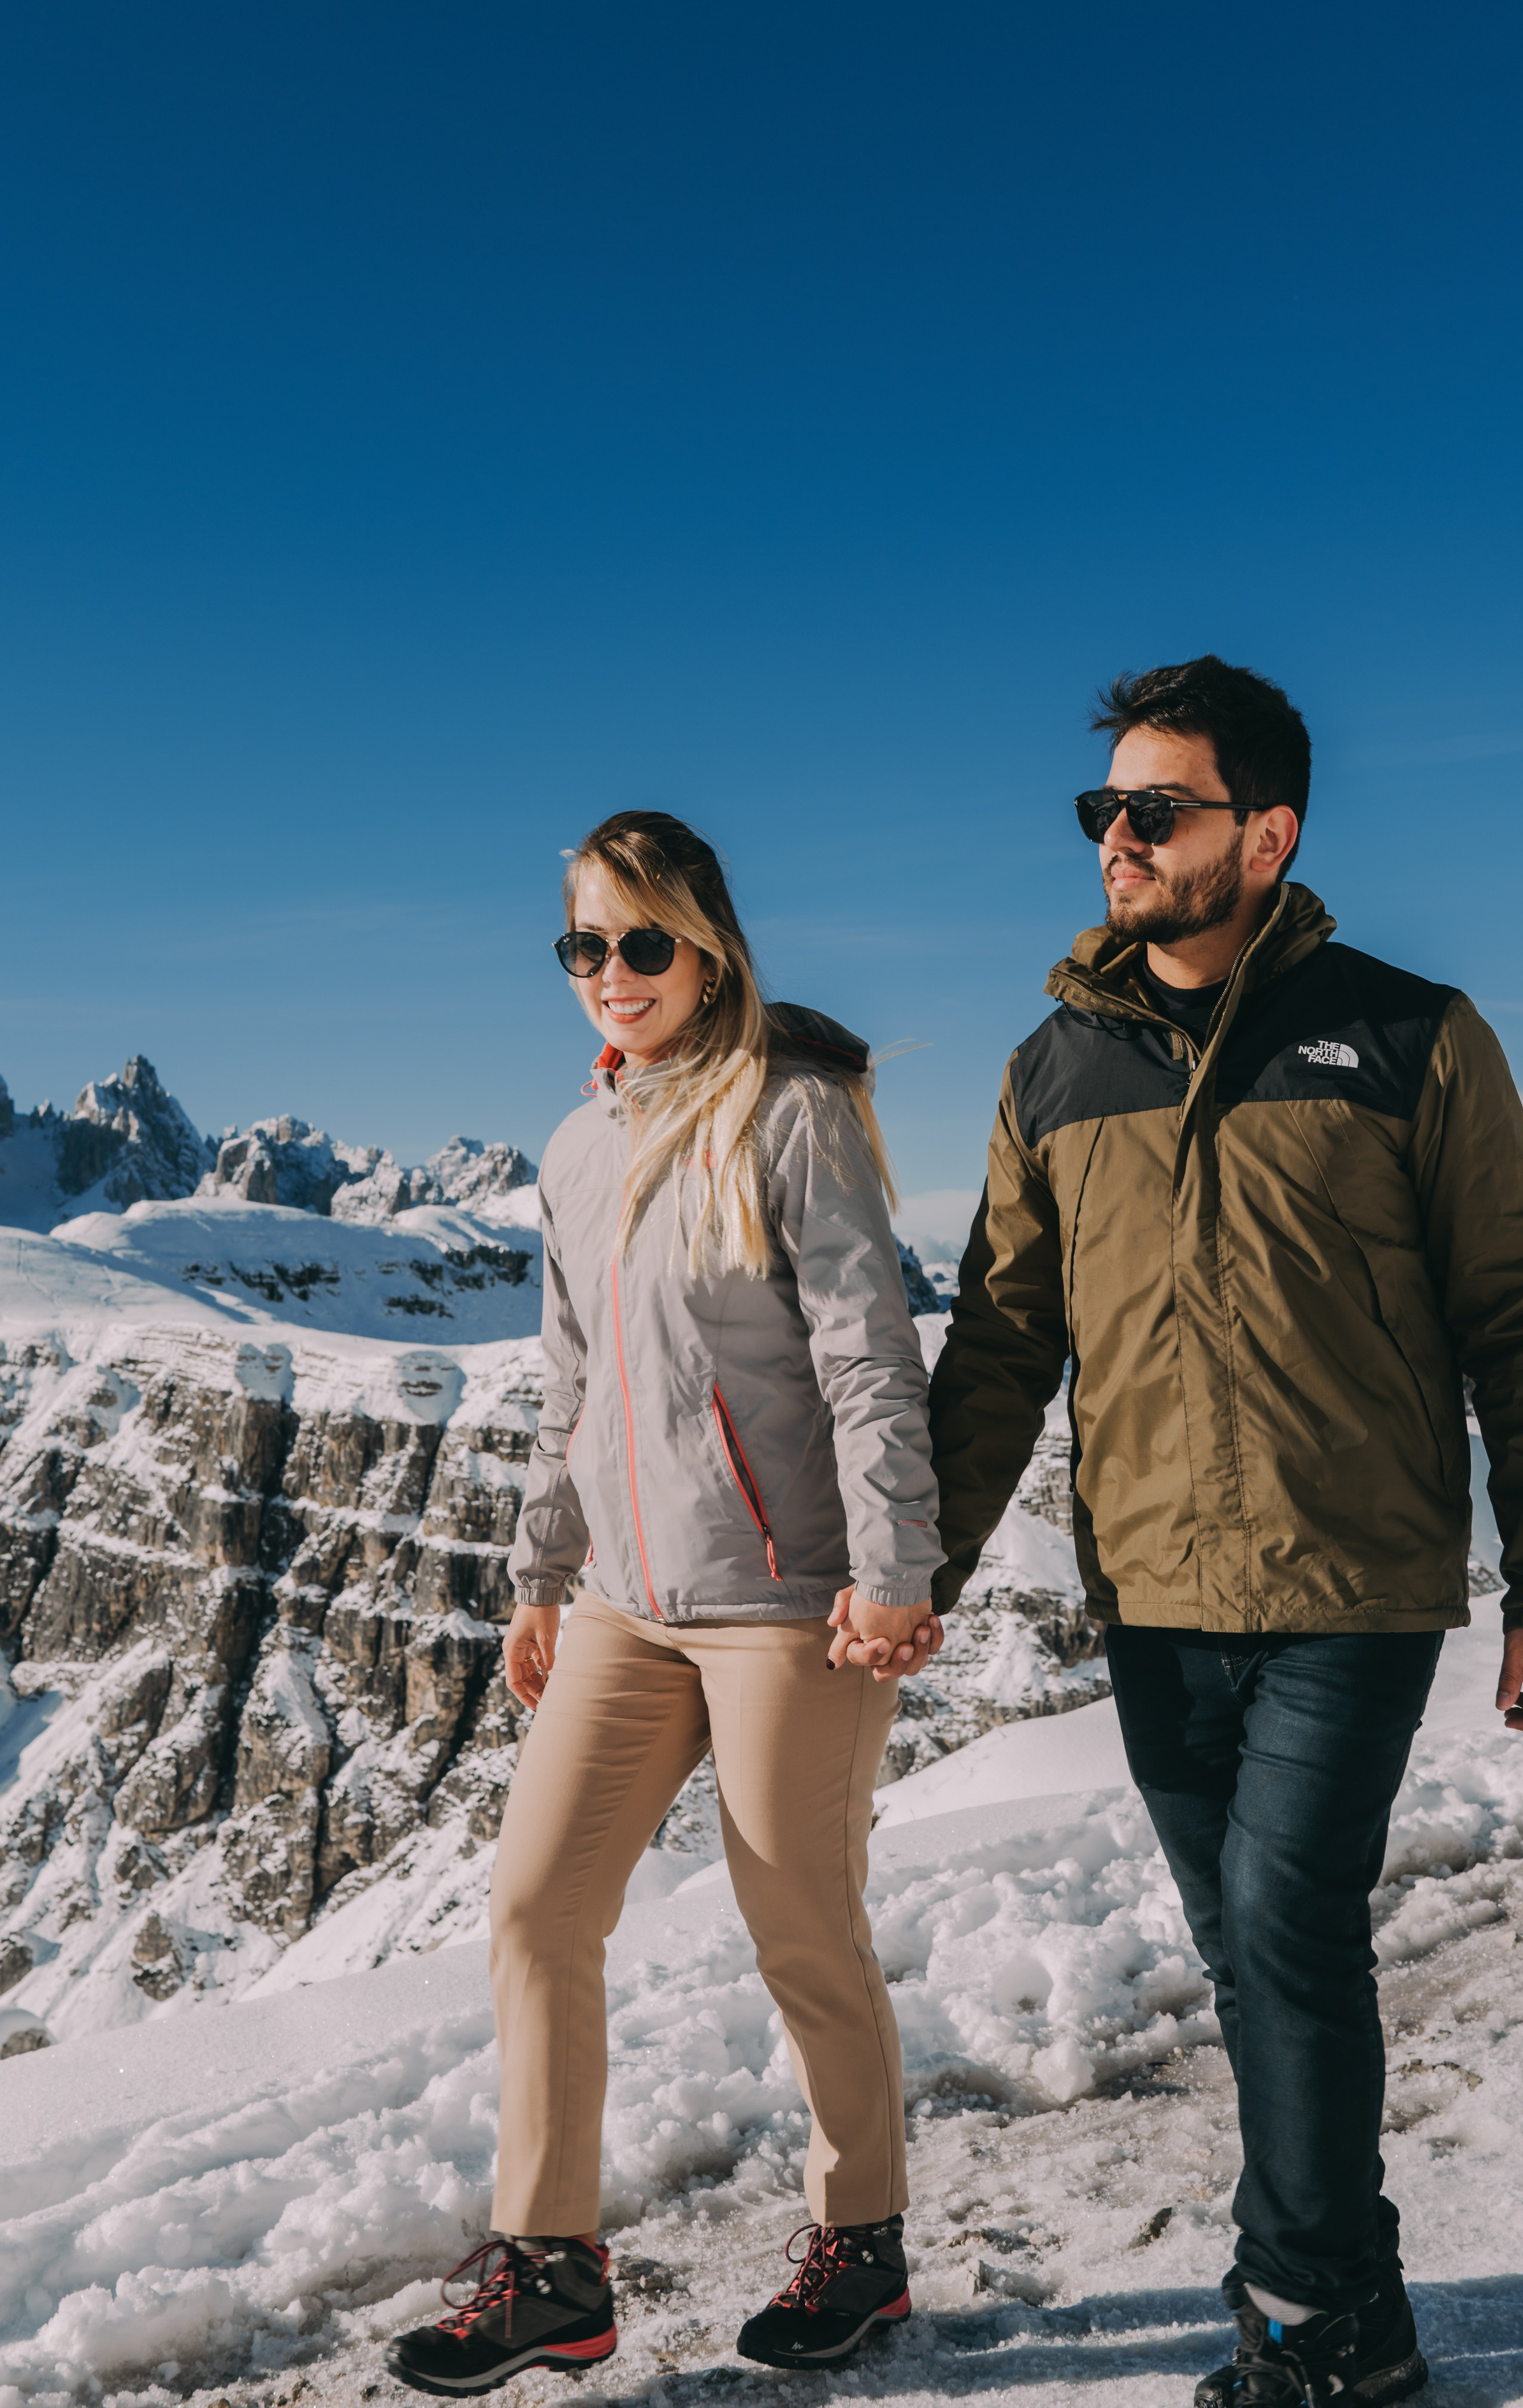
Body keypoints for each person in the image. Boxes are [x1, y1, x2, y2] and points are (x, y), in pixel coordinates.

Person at [926, 657, 1523, 2407]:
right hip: (1154, 1591)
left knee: (1286, 1924)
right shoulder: (1053, 1070)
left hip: (1350, 1582)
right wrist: (914, 1570)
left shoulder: (1408, 1035)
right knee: (1249, 1950)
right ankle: (1348, 2295)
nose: (1116, 838)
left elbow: (1519, 1315)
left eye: (1154, 810)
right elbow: (1000, 1345)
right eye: (1103, 809)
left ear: (1266, 836)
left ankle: (1309, 2318)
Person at [387, 810, 943, 2398]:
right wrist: (544, 1576)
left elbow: (864, 1353)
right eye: (584, 944)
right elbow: (570, 1383)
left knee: (800, 1924)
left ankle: (861, 2245)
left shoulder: (789, 1113)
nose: (610, 973)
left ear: (707, 948)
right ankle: (552, 2272)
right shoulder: (575, 1146)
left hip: (785, 1602)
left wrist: (892, 1572)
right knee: (534, 1910)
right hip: (627, 1608)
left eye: (641, 941)